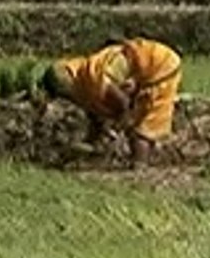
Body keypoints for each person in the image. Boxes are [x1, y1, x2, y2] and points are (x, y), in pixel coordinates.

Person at [40, 38, 183, 168]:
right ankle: (140, 164)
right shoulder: (89, 73)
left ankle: (139, 166)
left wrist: (124, 112)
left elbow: (107, 84)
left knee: (145, 125)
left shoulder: (89, 74)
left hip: (158, 64)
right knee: (148, 122)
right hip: (161, 63)